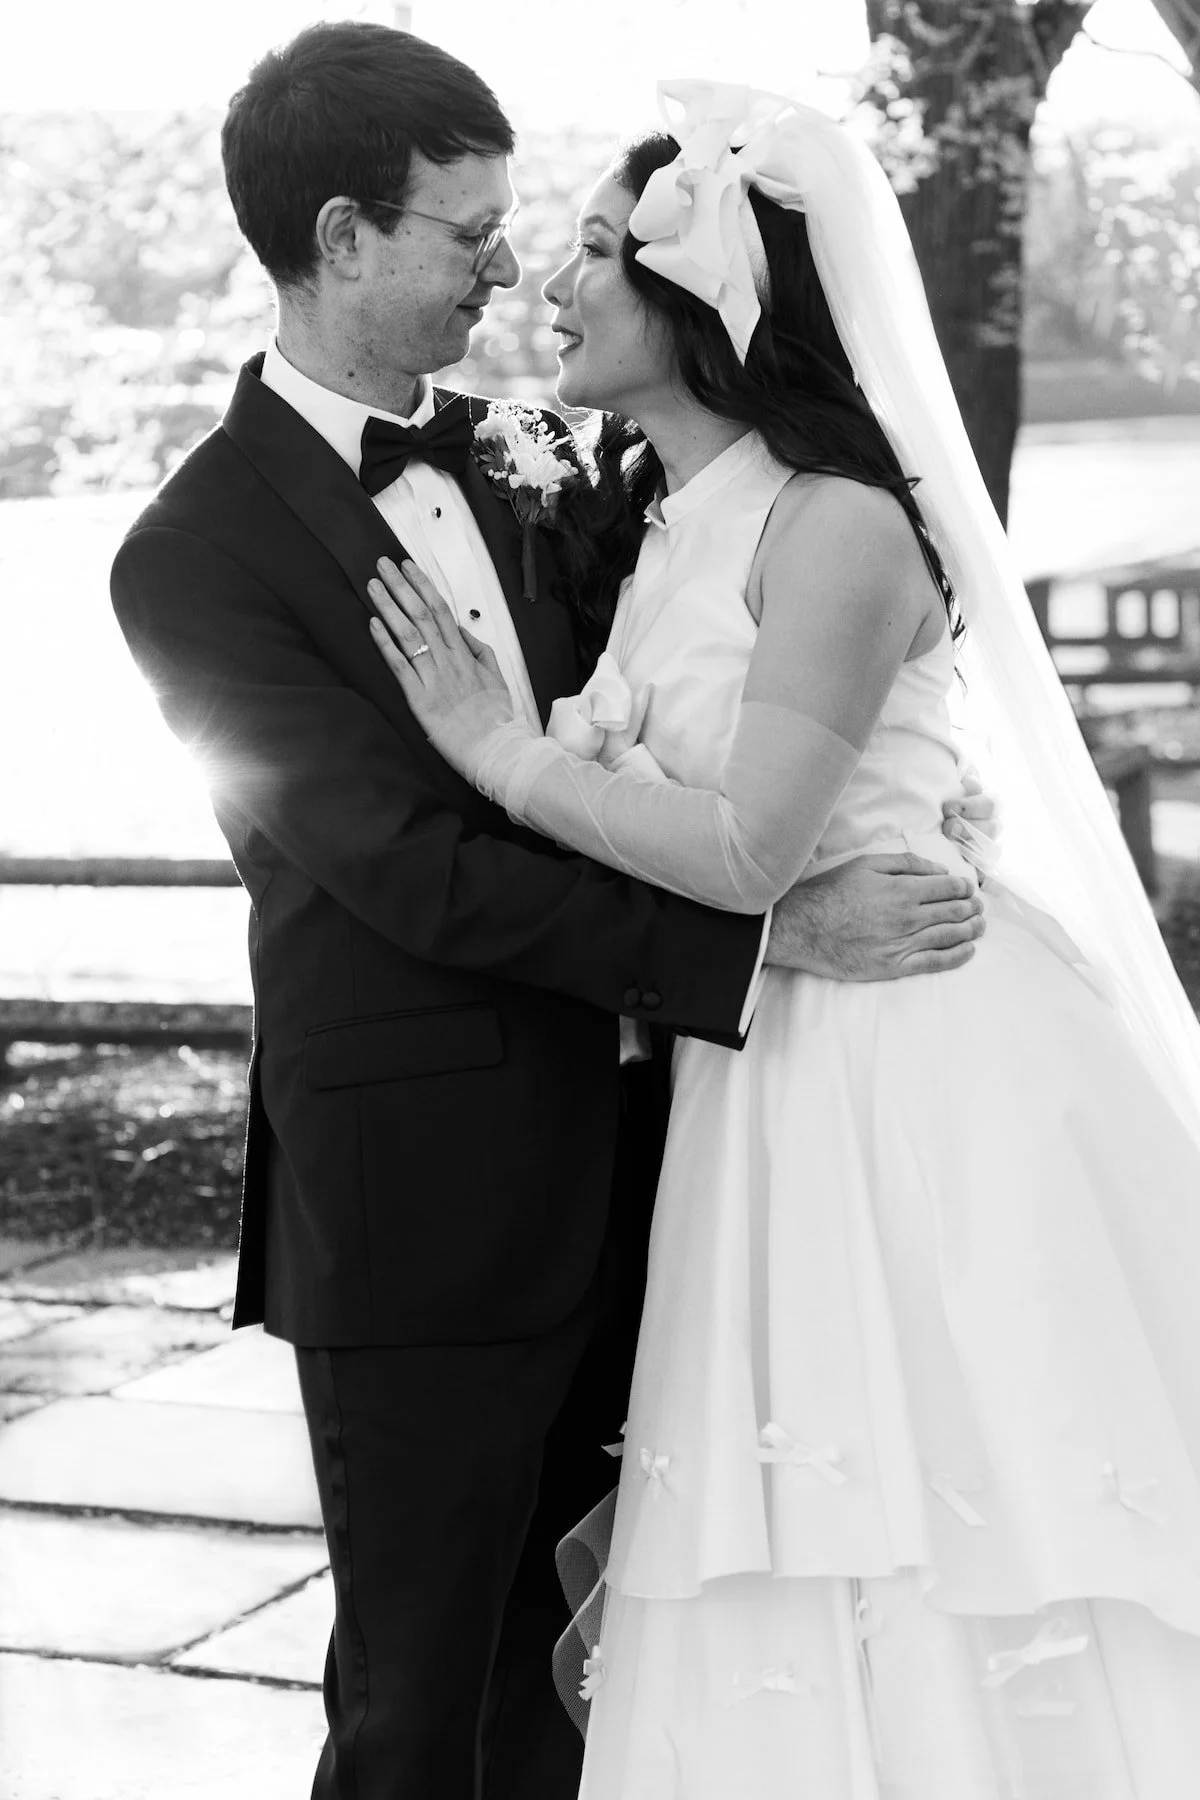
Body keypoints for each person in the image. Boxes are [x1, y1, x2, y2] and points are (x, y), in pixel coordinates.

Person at [107, 30, 990, 1800]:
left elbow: (708, 712)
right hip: (426, 1213)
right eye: (470, 232)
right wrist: (761, 936)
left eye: (528, 230)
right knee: (421, 1712)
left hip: (685, 1169)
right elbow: (403, 871)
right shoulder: (192, 556)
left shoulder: (552, 460)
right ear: (343, 235)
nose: (511, 271)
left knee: (614, 1684)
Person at [369, 82, 1200, 1797]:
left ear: (711, 303)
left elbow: (749, 847)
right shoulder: (675, 519)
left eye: (598, 251)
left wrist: (500, 752)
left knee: (952, 1521)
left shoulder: (838, 519)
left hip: (917, 1071)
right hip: (767, 1072)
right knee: (801, 1534)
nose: (554, 282)